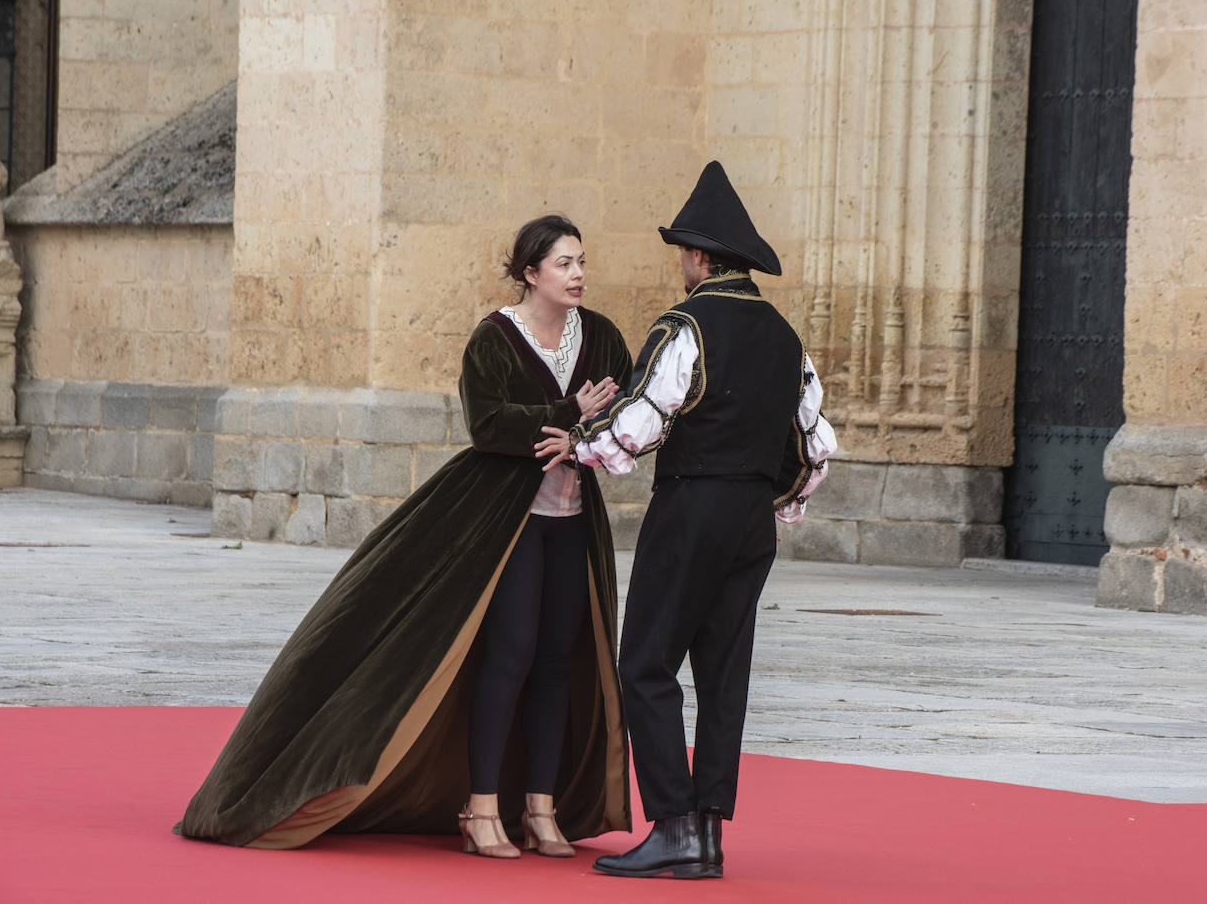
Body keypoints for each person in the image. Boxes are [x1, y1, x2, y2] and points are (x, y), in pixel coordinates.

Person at [175, 215, 634, 858]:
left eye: (582, 261)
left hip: (573, 519)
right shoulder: (495, 340)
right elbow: (489, 426)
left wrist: (585, 432)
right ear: (531, 273)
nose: (578, 274)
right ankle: (480, 811)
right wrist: (567, 415)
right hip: (502, 521)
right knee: (512, 653)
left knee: (560, 658)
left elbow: (624, 411)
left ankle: (541, 809)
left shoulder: (605, 338)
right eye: (564, 263)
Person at [543, 162, 836, 879]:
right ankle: (707, 832)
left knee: (644, 661)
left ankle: (672, 822)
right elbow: (815, 445)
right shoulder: (785, 336)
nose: (680, 263)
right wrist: (771, 497)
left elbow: (644, 420)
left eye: (683, 252)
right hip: (750, 520)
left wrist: (579, 446)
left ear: (702, 257)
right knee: (724, 671)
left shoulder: (688, 325)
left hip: (694, 508)